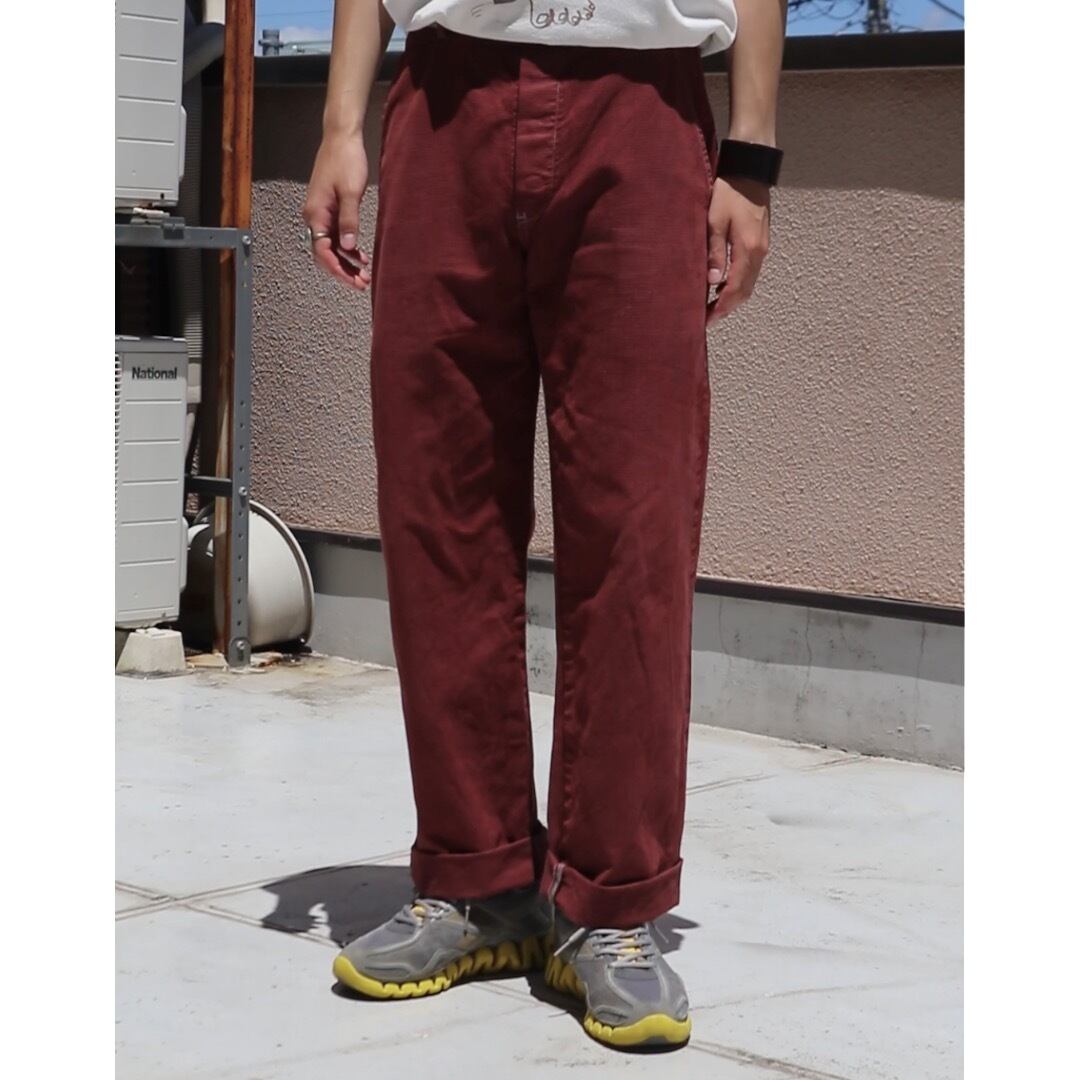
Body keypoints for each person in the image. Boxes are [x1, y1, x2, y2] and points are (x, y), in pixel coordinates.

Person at [304, 0, 786, 1051]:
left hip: (642, 105)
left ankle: (610, 903)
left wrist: (749, 160)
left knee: (636, 524)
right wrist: (342, 123)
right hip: (444, 100)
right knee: (440, 512)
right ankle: (478, 881)